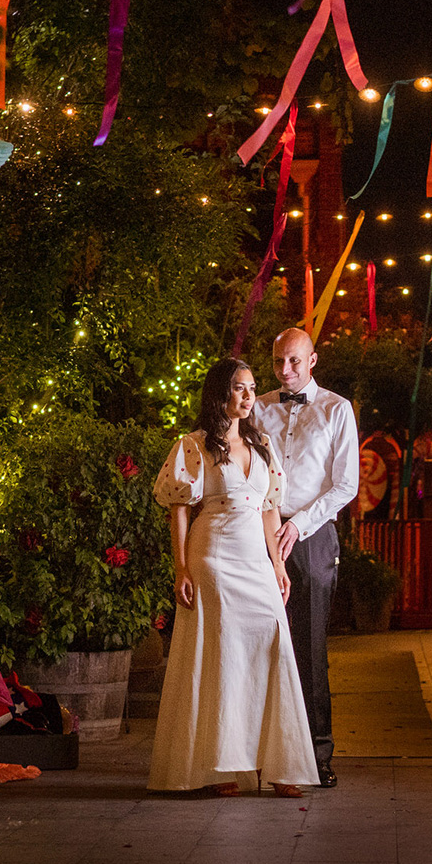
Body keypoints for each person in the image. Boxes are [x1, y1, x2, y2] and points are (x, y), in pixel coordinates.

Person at [149, 358, 319, 797]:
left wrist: (278, 565)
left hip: (255, 560)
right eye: (240, 389)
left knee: (275, 647)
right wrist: (181, 567)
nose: (248, 396)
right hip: (214, 556)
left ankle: (281, 765)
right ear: (219, 393)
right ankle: (221, 766)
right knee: (223, 656)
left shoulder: (262, 443)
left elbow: (269, 508)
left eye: (251, 388)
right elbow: (180, 509)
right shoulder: (194, 444)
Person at [253, 328, 360, 789]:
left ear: (313, 360)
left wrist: (298, 524)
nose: (286, 371)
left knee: (311, 646)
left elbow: (346, 484)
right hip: (260, 531)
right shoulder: (257, 409)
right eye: (279, 362)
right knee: (258, 643)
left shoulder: (337, 409)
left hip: (312, 533)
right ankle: (258, 752)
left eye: (295, 362)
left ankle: (317, 754)